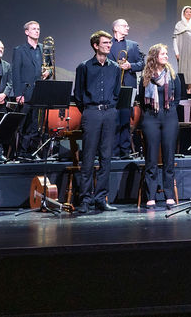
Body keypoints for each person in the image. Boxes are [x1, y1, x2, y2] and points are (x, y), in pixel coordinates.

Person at [72, 30, 120, 212]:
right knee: (88, 157)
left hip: (109, 113)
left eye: (110, 43)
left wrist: (111, 107)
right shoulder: (84, 67)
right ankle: (85, 199)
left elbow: (116, 92)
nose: (109, 45)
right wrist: (88, 110)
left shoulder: (115, 67)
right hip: (91, 112)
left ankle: (101, 198)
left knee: (106, 157)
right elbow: (78, 94)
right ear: (95, 45)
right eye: (105, 43)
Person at [140, 44, 180, 209]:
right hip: (151, 118)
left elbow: (178, 97)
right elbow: (141, 99)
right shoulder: (146, 76)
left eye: (166, 53)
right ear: (154, 56)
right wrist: (151, 111)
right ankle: (151, 196)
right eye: (163, 54)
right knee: (151, 158)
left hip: (169, 117)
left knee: (169, 157)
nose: (166, 56)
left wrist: (169, 110)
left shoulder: (172, 75)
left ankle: (169, 195)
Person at [10, 20, 50, 161]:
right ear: (27, 32)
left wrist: (48, 72)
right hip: (25, 93)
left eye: (38, 29)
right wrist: (18, 94)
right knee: (23, 125)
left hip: (40, 93)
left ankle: (32, 152)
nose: (37, 31)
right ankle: (21, 153)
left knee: (36, 125)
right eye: (33, 29)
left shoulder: (44, 49)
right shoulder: (19, 50)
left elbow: (49, 67)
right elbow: (16, 73)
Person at [110, 19, 144, 158]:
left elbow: (142, 64)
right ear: (116, 28)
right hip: (111, 87)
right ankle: (112, 151)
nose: (128, 28)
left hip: (127, 87)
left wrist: (130, 66)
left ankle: (124, 150)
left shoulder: (133, 45)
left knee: (125, 118)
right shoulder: (107, 44)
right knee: (112, 119)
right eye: (124, 26)